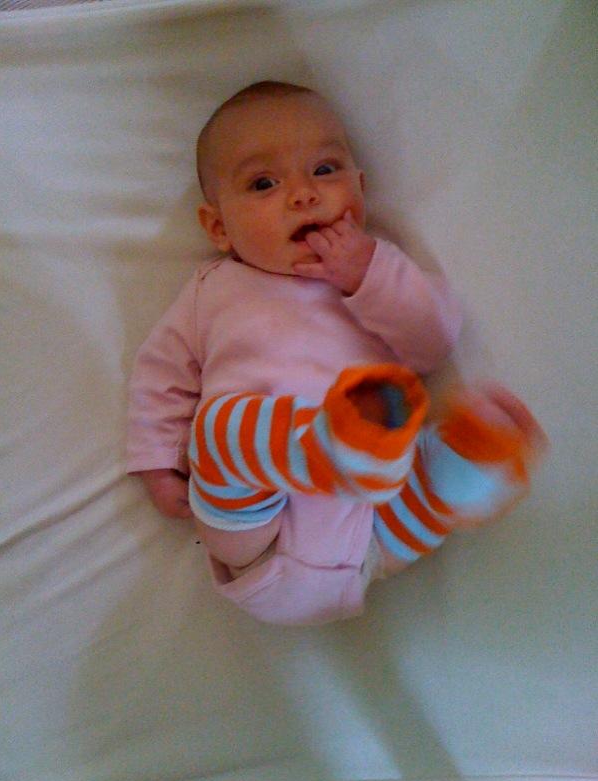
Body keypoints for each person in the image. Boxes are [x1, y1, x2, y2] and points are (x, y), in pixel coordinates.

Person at [127, 81, 545, 625]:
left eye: (325, 170)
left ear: (360, 191)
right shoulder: (213, 289)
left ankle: (460, 470)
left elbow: (432, 344)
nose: (303, 194)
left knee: (424, 438)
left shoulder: (379, 274)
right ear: (218, 226)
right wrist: (157, 461)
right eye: (263, 183)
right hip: (258, 531)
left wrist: (366, 272)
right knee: (219, 428)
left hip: (369, 537)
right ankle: (326, 450)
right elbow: (160, 377)